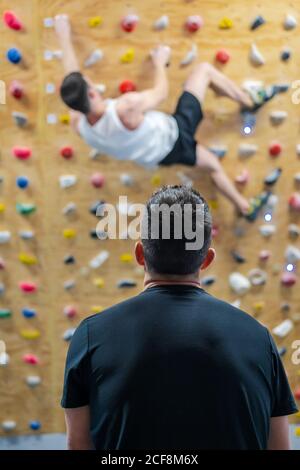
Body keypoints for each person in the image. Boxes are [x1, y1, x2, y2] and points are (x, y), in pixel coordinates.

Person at [61, 185, 298, 450]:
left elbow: (78, 444)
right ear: (207, 260)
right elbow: (279, 446)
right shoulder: (259, 339)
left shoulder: (91, 336)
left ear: (140, 254)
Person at [54, 15, 281, 216]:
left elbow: (72, 74)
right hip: (176, 130)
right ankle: (249, 102)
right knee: (203, 71)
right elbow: (160, 94)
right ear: (92, 92)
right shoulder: (126, 107)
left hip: (163, 156)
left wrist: (63, 35)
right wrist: (160, 63)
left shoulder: (79, 125)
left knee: (212, 165)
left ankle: (244, 207)